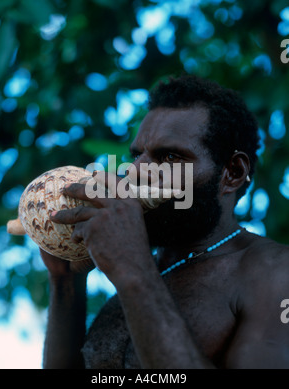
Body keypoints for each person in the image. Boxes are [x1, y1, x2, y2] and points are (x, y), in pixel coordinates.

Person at [41, 74, 289, 369]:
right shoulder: (154, 270)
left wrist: (133, 269)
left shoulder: (276, 272)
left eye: (169, 157)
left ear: (232, 173)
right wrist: (66, 281)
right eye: (136, 155)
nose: (135, 171)